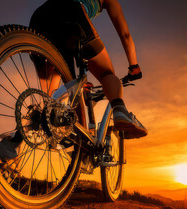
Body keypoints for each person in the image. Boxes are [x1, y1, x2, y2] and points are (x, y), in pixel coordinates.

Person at [29, 0, 147, 139]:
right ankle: (119, 109)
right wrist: (134, 66)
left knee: (49, 102)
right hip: (71, 10)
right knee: (106, 74)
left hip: (40, 18)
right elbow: (125, 35)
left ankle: (14, 142)